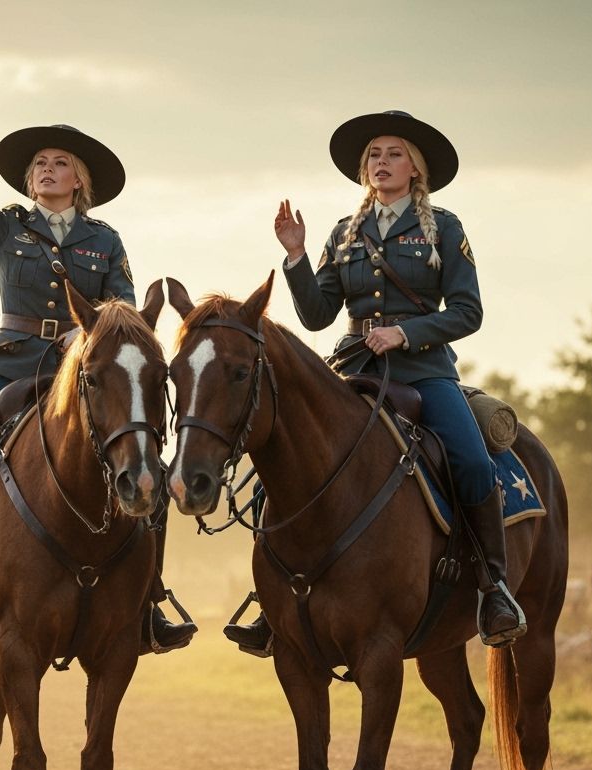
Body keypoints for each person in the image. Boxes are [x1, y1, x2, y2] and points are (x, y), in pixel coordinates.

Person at [0, 61, 196, 653]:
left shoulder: (106, 242)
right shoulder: (5, 229)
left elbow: (121, 315)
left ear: (79, 181)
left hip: (82, 379)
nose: (49, 171)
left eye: (61, 164)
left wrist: (107, 338)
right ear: (30, 183)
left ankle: (148, 599)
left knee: (146, 466)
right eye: (40, 166)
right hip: (8, 370)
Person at [225, 109, 525, 652]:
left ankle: (493, 587)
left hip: (423, 370)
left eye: (393, 154)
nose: (381, 163)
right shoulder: (344, 233)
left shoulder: (446, 227)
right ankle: (275, 601)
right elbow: (317, 316)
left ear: (416, 169)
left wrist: (405, 335)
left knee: (472, 460)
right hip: (353, 369)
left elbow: (467, 311)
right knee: (285, 455)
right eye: (373, 156)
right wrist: (295, 254)